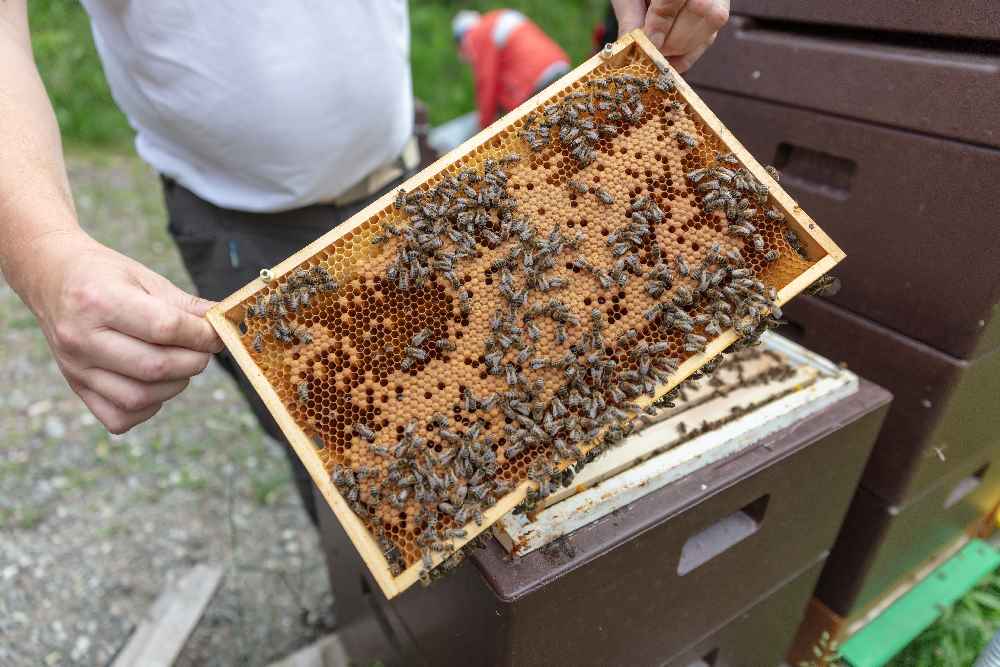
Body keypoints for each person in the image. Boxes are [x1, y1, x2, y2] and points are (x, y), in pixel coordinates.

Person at [0, 1, 729, 524]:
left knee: (483, 398)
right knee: (349, 472)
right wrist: (45, 252)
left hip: (412, 172)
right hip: (243, 226)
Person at [453, 9, 571, 130]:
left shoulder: (477, 35)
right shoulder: (496, 20)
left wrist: (484, 130)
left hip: (536, 82)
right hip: (558, 65)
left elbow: (487, 82)